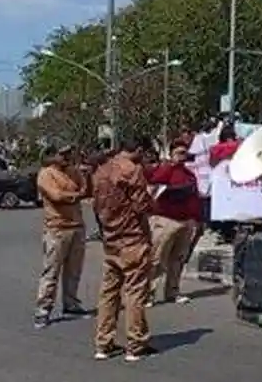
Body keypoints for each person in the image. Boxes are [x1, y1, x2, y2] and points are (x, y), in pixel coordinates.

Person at [91, 138, 155, 362]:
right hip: (132, 238)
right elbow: (141, 205)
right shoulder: (132, 170)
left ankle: (103, 343)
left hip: (111, 239)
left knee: (108, 293)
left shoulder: (102, 170)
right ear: (137, 150)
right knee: (135, 293)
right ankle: (135, 344)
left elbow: (96, 206)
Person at [34, 145, 93, 328]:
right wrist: (76, 195)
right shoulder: (46, 174)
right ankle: (43, 309)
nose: (67, 157)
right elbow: (56, 196)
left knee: (74, 270)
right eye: (63, 154)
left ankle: (71, 304)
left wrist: (88, 175)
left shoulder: (73, 172)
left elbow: (87, 192)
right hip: (57, 228)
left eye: (69, 153)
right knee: (51, 271)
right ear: (53, 156)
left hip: (76, 226)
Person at [147, 141, 201, 305]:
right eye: (179, 152)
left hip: (185, 222)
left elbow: (195, 198)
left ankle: (173, 291)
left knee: (178, 259)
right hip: (166, 220)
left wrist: (197, 220)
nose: (183, 156)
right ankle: (148, 294)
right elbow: (153, 184)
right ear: (171, 154)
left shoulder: (189, 175)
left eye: (185, 153)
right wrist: (170, 165)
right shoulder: (165, 171)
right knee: (157, 258)